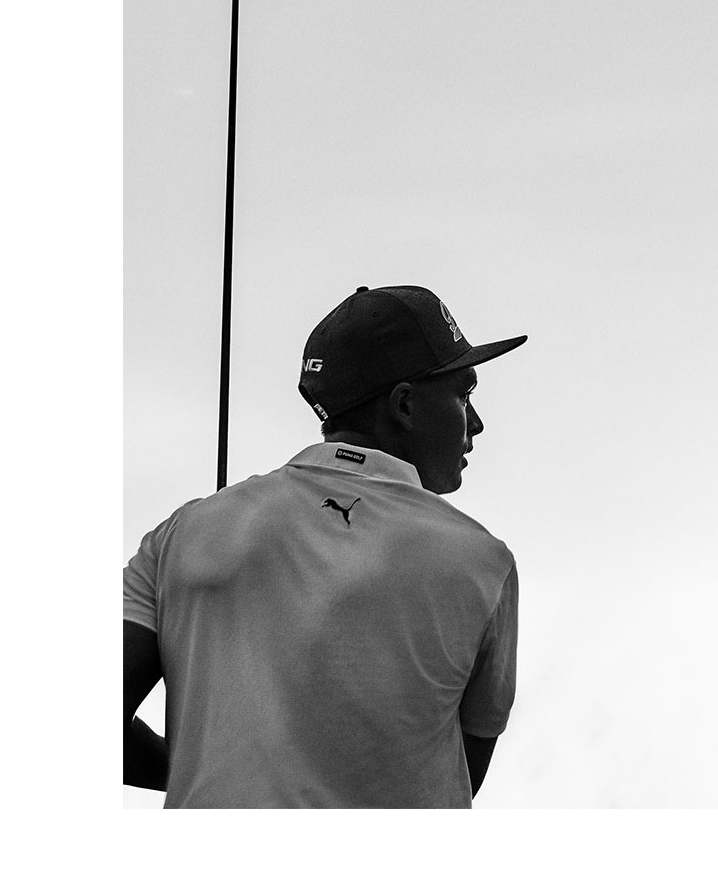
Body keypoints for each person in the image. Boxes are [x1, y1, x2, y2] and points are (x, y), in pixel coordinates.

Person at [123, 285, 525, 807]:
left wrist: (205, 771)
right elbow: (459, 774)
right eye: (463, 394)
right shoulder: (482, 564)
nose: (476, 422)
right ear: (405, 405)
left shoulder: (183, 533)